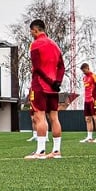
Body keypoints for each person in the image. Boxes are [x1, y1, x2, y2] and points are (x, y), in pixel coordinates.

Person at [24, 18, 66, 160]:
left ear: (35, 30)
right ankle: (56, 151)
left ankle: (40, 151)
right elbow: (61, 66)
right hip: (54, 88)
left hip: (40, 85)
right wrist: (57, 82)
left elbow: (37, 68)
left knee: (39, 116)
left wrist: (49, 81)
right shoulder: (55, 45)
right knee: (54, 117)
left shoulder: (35, 44)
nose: (31, 34)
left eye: (31, 31)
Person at [79, 63, 96, 143]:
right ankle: (89, 137)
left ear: (88, 68)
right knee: (87, 119)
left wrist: (95, 96)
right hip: (86, 100)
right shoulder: (84, 78)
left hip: (93, 100)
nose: (84, 72)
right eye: (82, 71)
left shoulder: (94, 76)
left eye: (84, 70)